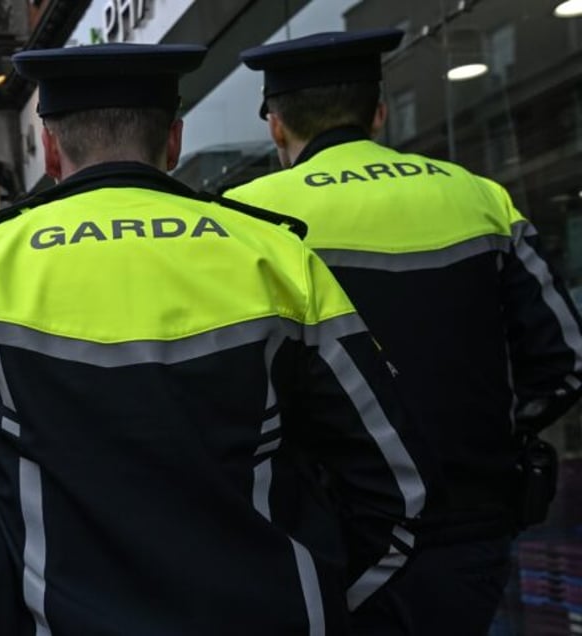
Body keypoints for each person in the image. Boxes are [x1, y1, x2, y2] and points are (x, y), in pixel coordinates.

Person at [0, 42, 426, 636]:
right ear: (174, 141)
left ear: (52, 150)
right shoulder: (276, 257)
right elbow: (393, 485)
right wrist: (317, 598)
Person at [224, 28, 582, 635]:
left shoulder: (243, 218)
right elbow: (565, 361)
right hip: (470, 527)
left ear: (276, 126)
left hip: (328, 533)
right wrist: (483, 430)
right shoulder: (480, 197)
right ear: (381, 114)